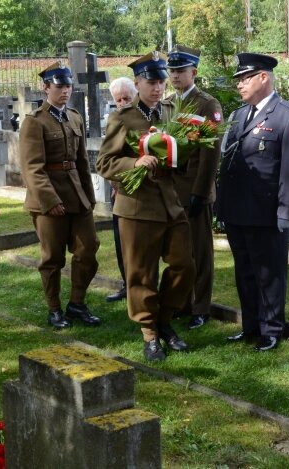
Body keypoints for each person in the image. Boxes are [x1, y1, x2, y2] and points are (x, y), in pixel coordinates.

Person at [96, 51, 196, 361]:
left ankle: (164, 318)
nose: (158, 87)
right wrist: (135, 161)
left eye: (161, 81)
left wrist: (189, 145)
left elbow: (178, 152)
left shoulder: (170, 113)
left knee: (184, 265)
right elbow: (104, 162)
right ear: (137, 83)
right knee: (141, 273)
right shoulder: (122, 118)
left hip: (169, 203)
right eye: (151, 82)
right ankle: (150, 333)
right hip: (137, 207)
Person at [215, 53, 289, 351]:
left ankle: (272, 329)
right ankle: (251, 326)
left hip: (267, 212)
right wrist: (222, 206)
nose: (240, 84)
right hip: (237, 210)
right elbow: (228, 163)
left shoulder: (288, 115)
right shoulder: (238, 115)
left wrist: (286, 212)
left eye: (245, 78)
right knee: (244, 270)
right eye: (239, 79)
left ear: (264, 78)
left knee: (269, 273)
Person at [19, 62, 101, 328]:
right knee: (52, 257)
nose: (65, 91)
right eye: (59, 86)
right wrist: (50, 201)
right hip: (48, 200)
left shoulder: (75, 117)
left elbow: (81, 163)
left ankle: (77, 303)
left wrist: (89, 198)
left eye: (68, 86)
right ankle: (54, 308)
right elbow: (32, 167)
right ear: (46, 88)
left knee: (88, 248)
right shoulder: (35, 122)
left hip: (77, 196)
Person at [166, 45, 223, 329]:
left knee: (200, 253)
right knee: (179, 252)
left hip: (195, 191)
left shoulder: (207, 105)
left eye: (180, 70)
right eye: (172, 70)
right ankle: (182, 302)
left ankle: (201, 306)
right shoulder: (168, 103)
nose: (175, 75)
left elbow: (210, 154)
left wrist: (200, 193)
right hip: (171, 192)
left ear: (194, 72)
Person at [104, 77, 137, 304]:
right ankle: (126, 283)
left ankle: (140, 286)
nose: (123, 102)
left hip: (137, 188)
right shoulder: (114, 120)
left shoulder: (140, 118)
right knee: (120, 240)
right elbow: (108, 158)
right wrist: (113, 181)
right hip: (118, 189)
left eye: (127, 97)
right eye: (118, 99)